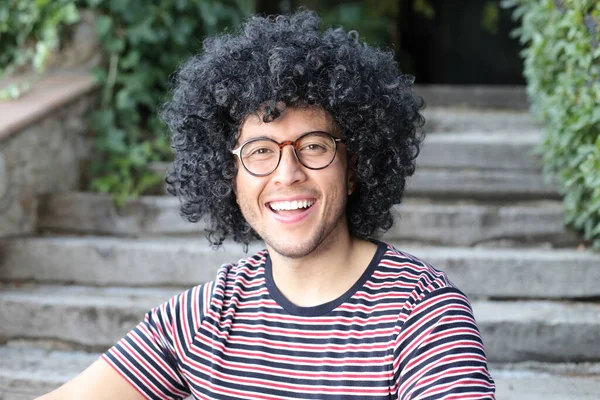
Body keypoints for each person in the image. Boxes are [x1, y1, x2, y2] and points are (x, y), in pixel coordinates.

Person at [38, 9, 495, 400]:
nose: (286, 172)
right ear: (228, 176)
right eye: (260, 151)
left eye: (314, 147)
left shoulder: (423, 313)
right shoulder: (208, 315)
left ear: (354, 167)